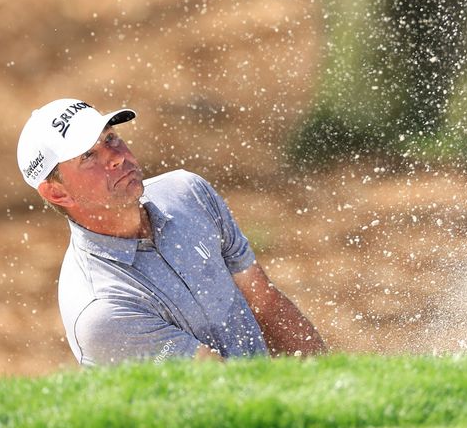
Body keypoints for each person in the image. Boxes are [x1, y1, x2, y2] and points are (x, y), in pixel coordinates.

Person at [16, 98, 326, 365]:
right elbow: (221, 385)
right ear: (57, 193)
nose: (116, 157)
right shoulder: (101, 309)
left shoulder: (187, 193)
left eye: (110, 139)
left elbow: (266, 303)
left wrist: (331, 386)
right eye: (88, 156)